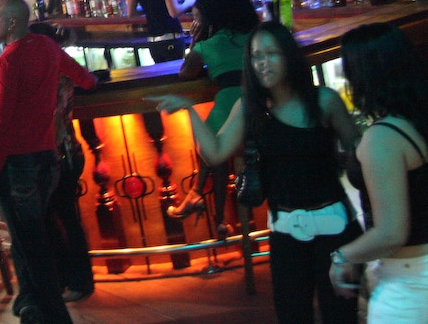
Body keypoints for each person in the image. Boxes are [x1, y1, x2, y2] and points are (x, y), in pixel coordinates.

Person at [150, 21, 360, 324]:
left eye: (271, 54)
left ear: (289, 55)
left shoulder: (324, 100)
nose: (262, 63)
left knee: (340, 314)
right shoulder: (250, 107)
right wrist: (189, 110)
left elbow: (357, 151)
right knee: (292, 314)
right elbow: (216, 152)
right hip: (286, 227)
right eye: (256, 57)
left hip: (333, 224)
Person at [332, 23, 428, 322]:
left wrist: (342, 256)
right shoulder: (427, 114)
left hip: (422, 280)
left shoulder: (382, 138)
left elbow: (391, 232)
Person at [0, 0, 97, 324]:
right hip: (48, 159)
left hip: (20, 164)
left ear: (11, 22)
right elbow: (84, 78)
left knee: (30, 244)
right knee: (38, 235)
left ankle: (52, 315)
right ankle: (34, 306)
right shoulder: (46, 46)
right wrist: (91, 84)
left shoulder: (8, 60)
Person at [167, 0, 259, 238]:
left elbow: (185, 73)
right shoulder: (255, 35)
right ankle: (204, 202)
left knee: (211, 147)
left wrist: (194, 42)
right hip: (259, 106)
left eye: (197, 18)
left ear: (210, 20)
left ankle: (216, 216)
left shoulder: (207, 46)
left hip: (229, 104)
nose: (194, 23)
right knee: (215, 149)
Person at [28, 22, 95, 303]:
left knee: (62, 219)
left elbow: (52, 119)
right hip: (64, 152)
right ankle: (71, 280)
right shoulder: (57, 68)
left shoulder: (50, 74)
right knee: (61, 218)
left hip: (57, 154)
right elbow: (89, 82)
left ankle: (76, 281)